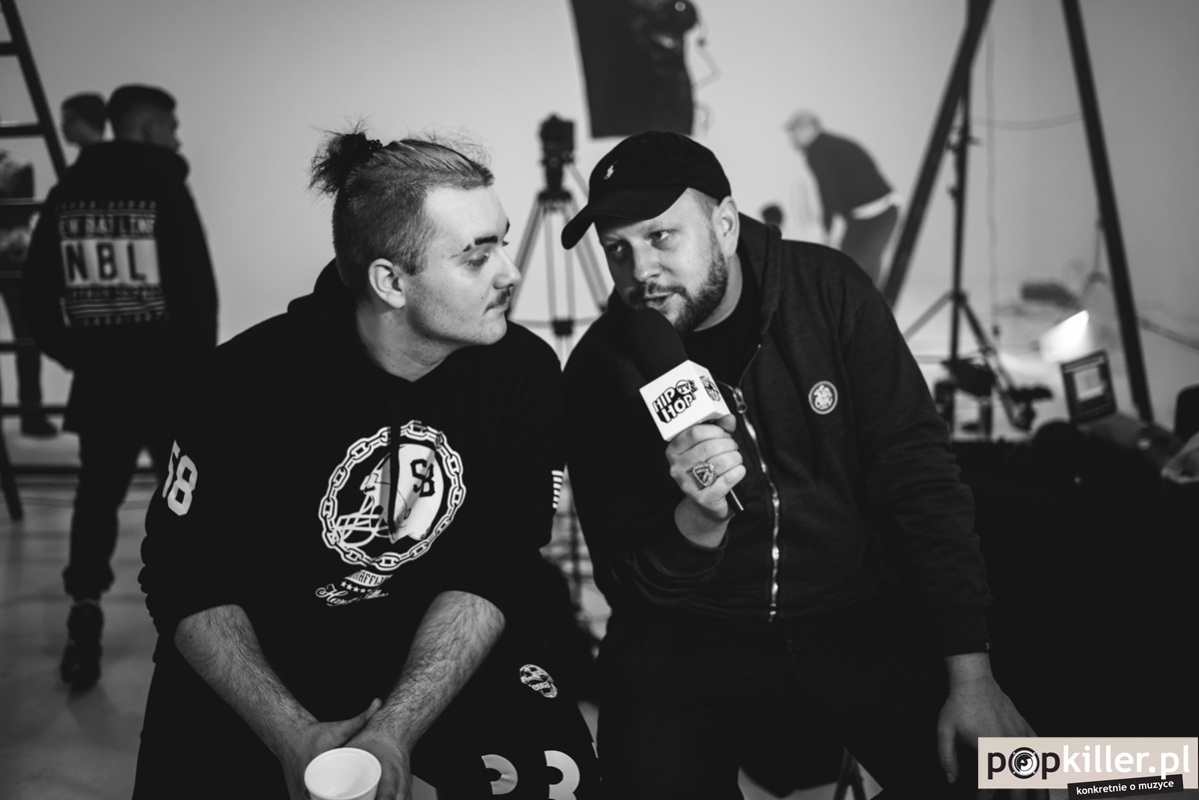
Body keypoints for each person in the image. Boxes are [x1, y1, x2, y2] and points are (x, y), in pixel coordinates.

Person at [559, 131, 1039, 799]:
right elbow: (624, 577)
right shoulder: (598, 367)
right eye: (617, 249)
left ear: (725, 226)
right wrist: (698, 520)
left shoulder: (829, 291)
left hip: (850, 609)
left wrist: (972, 675)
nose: (640, 271)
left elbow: (920, 478)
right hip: (687, 633)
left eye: (660, 236)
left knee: (1007, 779)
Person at [131, 128, 598, 800]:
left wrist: (396, 730)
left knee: (564, 781)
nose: (510, 272)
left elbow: (496, 566)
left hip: (437, 632)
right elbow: (186, 579)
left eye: (502, 242)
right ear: (390, 282)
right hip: (270, 647)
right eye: (476, 257)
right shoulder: (247, 381)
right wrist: (292, 735)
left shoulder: (523, 372)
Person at [22, 84, 218, 690]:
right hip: (170, 385)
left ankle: (84, 617)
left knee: (95, 501)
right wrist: (198, 380)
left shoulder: (67, 194)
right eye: (171, 126)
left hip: (103, 383)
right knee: (188, 505)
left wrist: (79, 355)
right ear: (148, 126)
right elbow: (198, 296)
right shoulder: (166, 190)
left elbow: (35, 295)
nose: (177, 139)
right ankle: (206, 629)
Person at [785, 109, 899, 285]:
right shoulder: (830, 145)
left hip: (876, 215)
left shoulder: (817, 151)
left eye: (796, 131)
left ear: (809, 130)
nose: (793, 137)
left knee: (851, 274)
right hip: (870, 216)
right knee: (857, 272)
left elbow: (828, 189)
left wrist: (828, 225)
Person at [0, 120, 56, 438]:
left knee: (26, 337)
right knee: (26, 338)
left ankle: (31, 413)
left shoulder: (19, 165)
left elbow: (19, 214)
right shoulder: (18, 166)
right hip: (15, 253)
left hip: (15, 256)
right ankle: (31, 415)